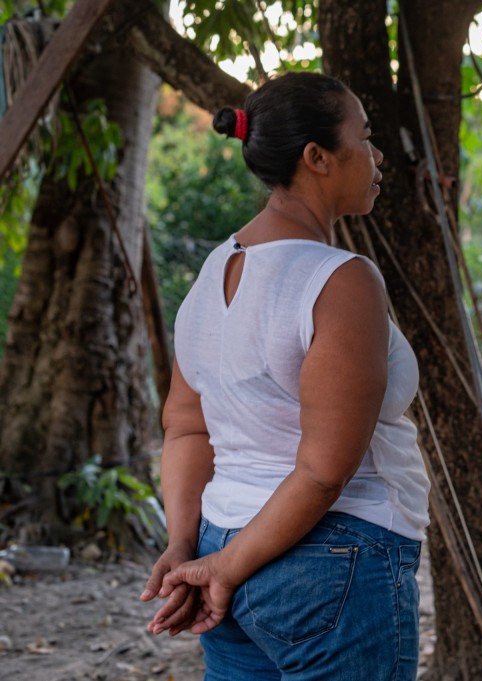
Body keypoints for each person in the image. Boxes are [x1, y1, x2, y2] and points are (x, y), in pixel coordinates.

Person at [140, 71, 430, 681]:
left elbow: (186, 427)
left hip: (223, 540)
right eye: (365, 137)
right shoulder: (340, 280)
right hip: (331, 561)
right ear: (317, 157)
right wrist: (220, 569)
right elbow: (323, 472)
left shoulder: (211, 274)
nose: (377, 156)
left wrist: (189, 546)